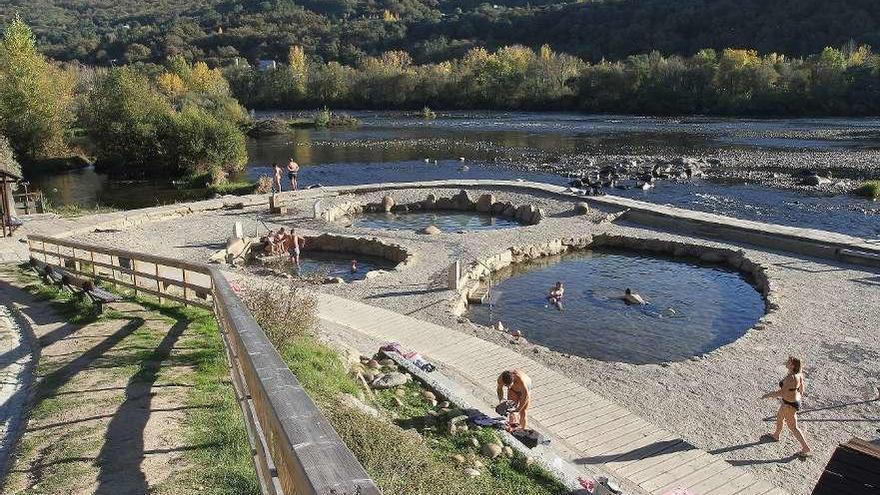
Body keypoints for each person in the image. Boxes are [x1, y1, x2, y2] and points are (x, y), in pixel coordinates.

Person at [761, 356, 812, 457]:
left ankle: (806, 448)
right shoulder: (798, 374)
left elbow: (782, 392)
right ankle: (776, 435)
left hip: (789, 405)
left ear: (792, 365)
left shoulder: (791, 378)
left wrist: (768, 395)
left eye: (788, 362)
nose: (786, 362)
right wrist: (795, 396)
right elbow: (802, 389)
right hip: (790, 402)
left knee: (793, 427)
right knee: (779, 417)